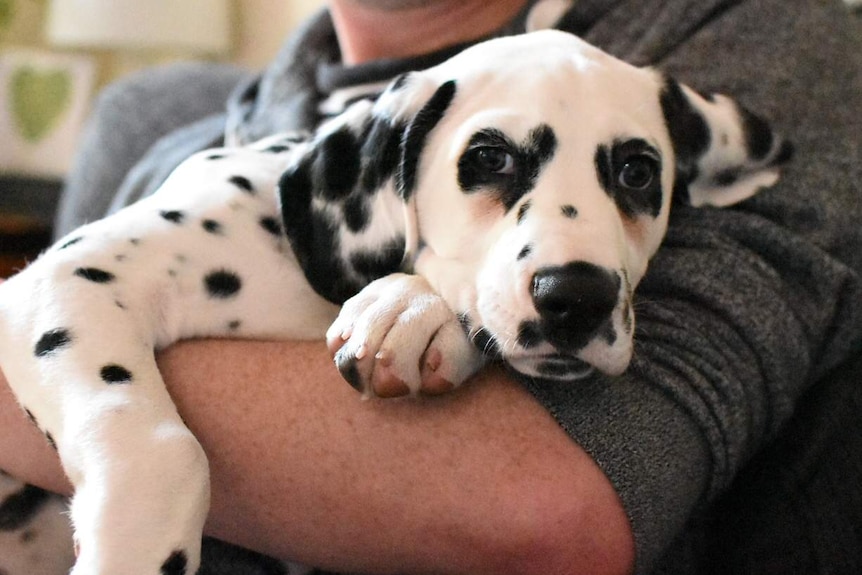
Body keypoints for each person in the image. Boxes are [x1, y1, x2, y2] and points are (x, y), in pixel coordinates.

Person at [1, 0, 861, 573]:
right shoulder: (172, 152)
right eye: (486, 164)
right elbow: (48, 316)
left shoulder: (742, 45)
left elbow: (545, 509)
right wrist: (135, 457)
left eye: (633, 174)